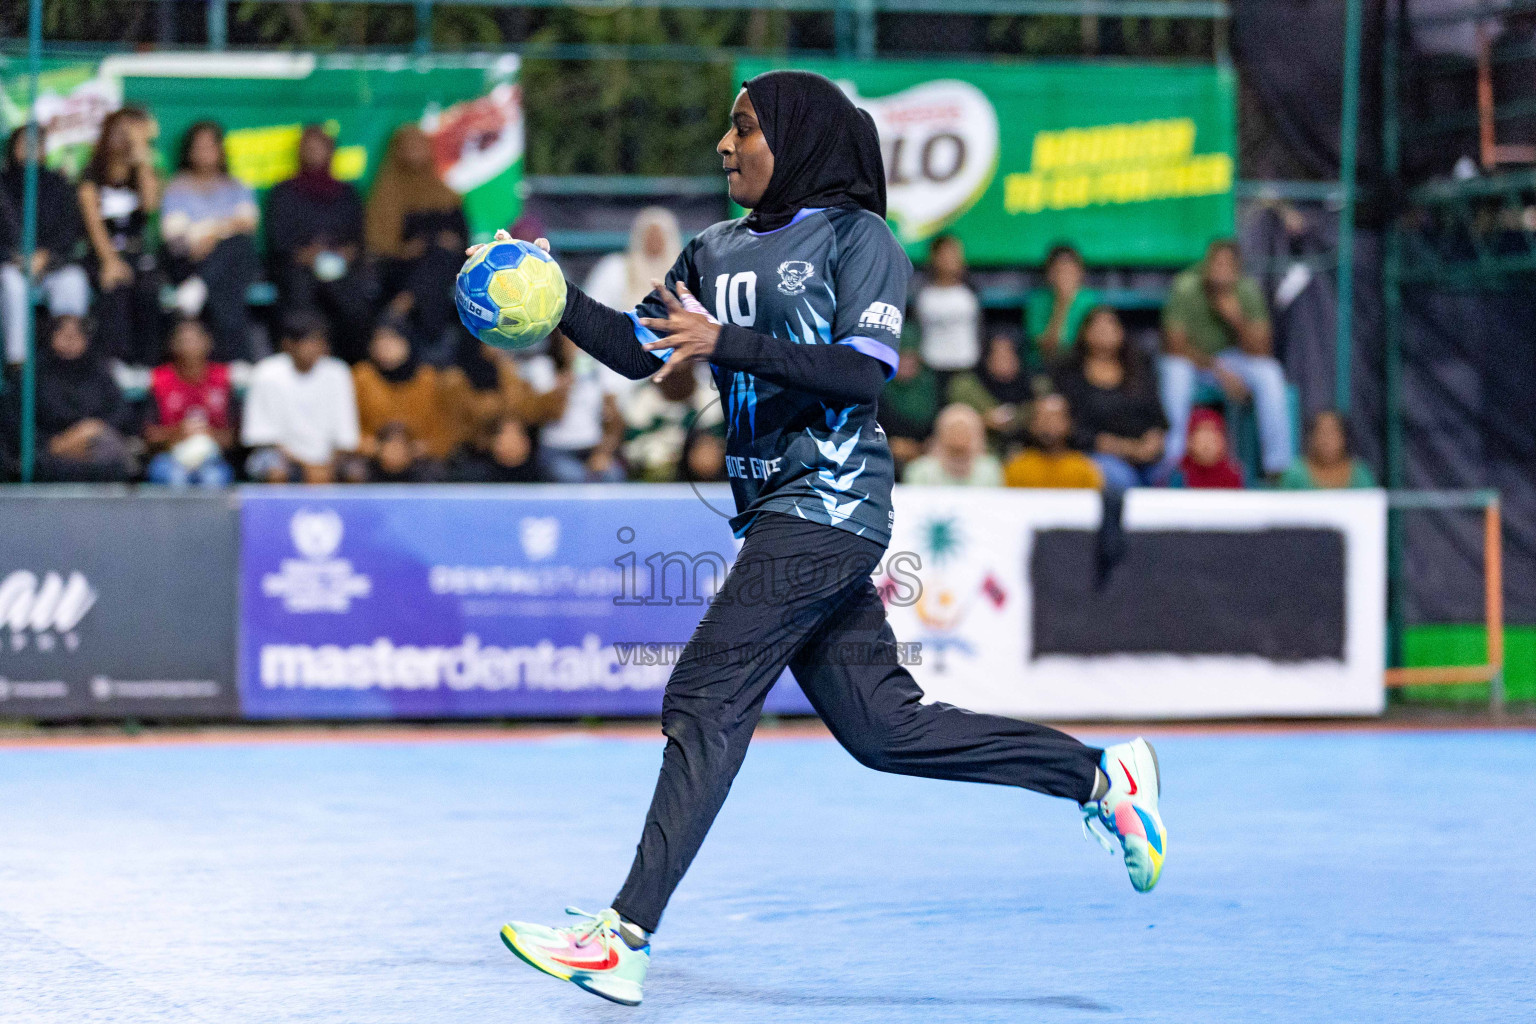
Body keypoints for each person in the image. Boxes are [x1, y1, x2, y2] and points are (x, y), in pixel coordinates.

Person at [476, 70, 1166, 1007]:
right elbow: (646, 350)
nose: (725, 146)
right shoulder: (712, 248)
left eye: (745, 128)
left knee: (706, 692)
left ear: (795, 140)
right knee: (885, 730)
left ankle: (622, 935)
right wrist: (551, 297)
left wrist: (728, 345)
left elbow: (860, 373)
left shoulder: (859, 238)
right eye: (726, 129)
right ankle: (1098, 777)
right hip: (778, 515)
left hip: (832, 507)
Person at [1160, 239, 1294, 479]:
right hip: (1194, 361)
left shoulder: (1247, 290)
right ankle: (1173, 462)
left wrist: (1236, 320)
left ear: (1237, 270)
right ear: (1206, 265)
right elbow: (1174, 345)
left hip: (1232, 361)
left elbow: (1263, 350)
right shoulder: (1186, 287)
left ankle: (1277, 468)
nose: (1220, 271)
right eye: (1216, 264)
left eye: (1227, 265)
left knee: (1270, 372)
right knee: (1174, 370)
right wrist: (1219, 370)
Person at [265, 125, 374, 363]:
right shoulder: (284, 191)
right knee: (298, 296)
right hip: (298, 267)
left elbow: (359, 238)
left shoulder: (347, 193)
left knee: (355, 302)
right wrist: (308, 255)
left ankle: (353, 366)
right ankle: (299, 362)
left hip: (341, 267)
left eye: (320, 147)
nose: (314, 153)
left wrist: (343, 254)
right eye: (308, 148)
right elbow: (279, 240)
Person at [159, 121, 260, 362]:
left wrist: (210, 233)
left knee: (238, 248)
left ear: (221, 150)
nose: (205, 153)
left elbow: (248, 223)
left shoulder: (237, 186)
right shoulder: (176, 187)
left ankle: (200, 285)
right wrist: (222, 228)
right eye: (199, 147)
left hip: (224, 262)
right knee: (229, 273)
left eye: (210, 146)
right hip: (190, 261)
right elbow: (173, 233)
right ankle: (238, 361)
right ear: (189, 151)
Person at [365, 124, 468, 359]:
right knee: (434, 278)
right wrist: (408, 250)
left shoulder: (447, 195)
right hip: (400, 267)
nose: (414, 153)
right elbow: (380, 244)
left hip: (441, 266)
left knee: (439, 261)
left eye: (419, 146)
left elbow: (462, 242)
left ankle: (401, 307)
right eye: (408, 147)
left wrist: (431, 243)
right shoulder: (387, 192)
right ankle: (433, 355)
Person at [77, 108, 162, 365]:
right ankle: (115, 360)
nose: (124, 138)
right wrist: (110, 261)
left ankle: (148, 362)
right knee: (115, 288)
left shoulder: (142, 173)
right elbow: (93, 223)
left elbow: (150, 205)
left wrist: (141, 155)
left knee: (149, 289)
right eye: (120, 132)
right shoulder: (91, 174)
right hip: (102, 253)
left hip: (136, 252)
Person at [0, 125, 89, 366]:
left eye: (36, 144)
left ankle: (67, 357)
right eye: (23, 143)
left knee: (73, 280)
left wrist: (46, 256)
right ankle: (18, 362)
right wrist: (13, 257)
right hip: (9, 265)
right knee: (12, 285)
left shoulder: (58, 185)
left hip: (51, 264)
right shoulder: (3, 184)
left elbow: (69, 231)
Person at [1053, 306, 1168, 491]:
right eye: (1097, 327)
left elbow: (1158, 416)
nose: (1105, 331)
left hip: (1145, 452)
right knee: (1121, 479)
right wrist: (1120, 447)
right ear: (1084, 333)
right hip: (1095, 452)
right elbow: (1071, 427)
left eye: (1110, 325)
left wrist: (1153, 440)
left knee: (1170, 475)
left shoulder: (1139, 369)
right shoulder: (1070, 374)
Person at [240, 309, 360, 483]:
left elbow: (346, 437)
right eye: (308, 342)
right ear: (288, 344)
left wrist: (326, 466)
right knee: (275, 470)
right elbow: (263, 437)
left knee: (355, 472)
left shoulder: (338, 373)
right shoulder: (266, 373)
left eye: (319, 342)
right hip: (283, 456)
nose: (315, 348)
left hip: (330, 459)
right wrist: (308, 467)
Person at [33, 314, 134, 482]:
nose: (70, 340)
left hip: (93, 447)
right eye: (63, 334)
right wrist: (57, 444)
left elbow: (121, 411)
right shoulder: (35, 375)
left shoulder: (99, 372)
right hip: (50, 451)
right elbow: (17, 420)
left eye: (76, 334)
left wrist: (92, 429)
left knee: (116, 461)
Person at [351, 317, 462, 467]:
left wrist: (422, 448)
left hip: (421, 459)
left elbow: (445, 430)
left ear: (408, 342)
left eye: (392, 339)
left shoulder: (429, 379)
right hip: (371, 458)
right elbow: (347, 428)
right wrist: (374, 448)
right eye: (379, 340)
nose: (384, 346)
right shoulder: (361, 377)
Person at [518, 334, 628, 483]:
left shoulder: (600, 370)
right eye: (570, 338)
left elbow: (615, 420)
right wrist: (563, 386)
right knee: (573, 477)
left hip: (592, 448)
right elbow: (534, 416)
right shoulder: (541, 367)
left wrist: (603, 453)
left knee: (612, 475)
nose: (577, 344)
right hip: (556, 450)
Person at [144, 317, 235, 488]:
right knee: (174, 477)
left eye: (194, 340)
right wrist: (178, 433)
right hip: (170, 457)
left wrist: (208, 434)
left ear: (207, 343)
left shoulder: (222, 379)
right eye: (184, 341)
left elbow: (233, 437)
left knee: (213, 478)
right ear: (173, 345)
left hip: (212, 458)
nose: (189, 346)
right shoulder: (160, 380)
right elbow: (149, 436)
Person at [911, 233, 980, 392]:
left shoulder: (971, 292)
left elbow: (980, 329)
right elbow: (916, 329)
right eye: (945, 254)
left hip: (966, 368)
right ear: (933, 257)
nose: (951, 259)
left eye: (955, 253)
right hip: (932, 369)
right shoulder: (922, 294)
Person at [583, 206, 683, 313]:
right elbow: (594, 309)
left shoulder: (685, 275)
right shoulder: (615, 268)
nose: (654, 240)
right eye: (650, 234)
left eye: (659, 235)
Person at [946, 331, 1033, 444]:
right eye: (998, 356)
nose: (1004, 362)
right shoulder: (965, 385)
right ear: (987, 357)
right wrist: (982, 421)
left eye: (1009, 355)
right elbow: (953, 420)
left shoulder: (1031, 385)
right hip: (976, 446)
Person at [1002, 393, 1103, 489]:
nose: (1049, 425)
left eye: (1055, 418)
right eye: (1042, 418)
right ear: (1031, 425)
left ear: (1069, 423)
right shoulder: (1017, 469)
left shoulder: (1084, 469)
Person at [1025, 243, 1098, 367]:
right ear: (1049, 274)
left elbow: (1094, 347)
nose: (1065, 275)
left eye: (1070, 270)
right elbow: (1048, 350)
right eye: (1059, 270)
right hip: (1045, 367)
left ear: (1080, 273)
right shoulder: (1037, 301)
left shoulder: (1090, 300)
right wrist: (1062, 304)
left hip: (1080, 369)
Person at [902, 402, 1003, 486]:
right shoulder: (920, 470)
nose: (959, 435)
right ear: (941, 433)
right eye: (953, 429)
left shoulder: (990, 470)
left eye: (964, 430)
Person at [1278, 410, 1377, 489]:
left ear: (1344, 438)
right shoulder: (1295, 474)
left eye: (1332, 433)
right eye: (1321, 433)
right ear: (1311, 438)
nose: (1326, 440)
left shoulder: (1361, 474)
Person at [877, 345, 940, 469]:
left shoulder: (932, 387)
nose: (906, 363)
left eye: (911, 357)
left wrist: (921, 449)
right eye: (901, 357)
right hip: (887, 455)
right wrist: (889, 444)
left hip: (928, 455)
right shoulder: (878, 390)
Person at [449, 415, 541, 484]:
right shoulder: (473, 478)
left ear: (527, 442)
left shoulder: (543, 480)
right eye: (505, 437)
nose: (510, 444)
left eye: (515, 437)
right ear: (494, 442)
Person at [1169, 406, 1244, 489]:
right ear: (1190, 440)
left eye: (1212, 433)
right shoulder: (1177, 475)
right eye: (1202, 433)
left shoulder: (1236, 476)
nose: (1207, 442)